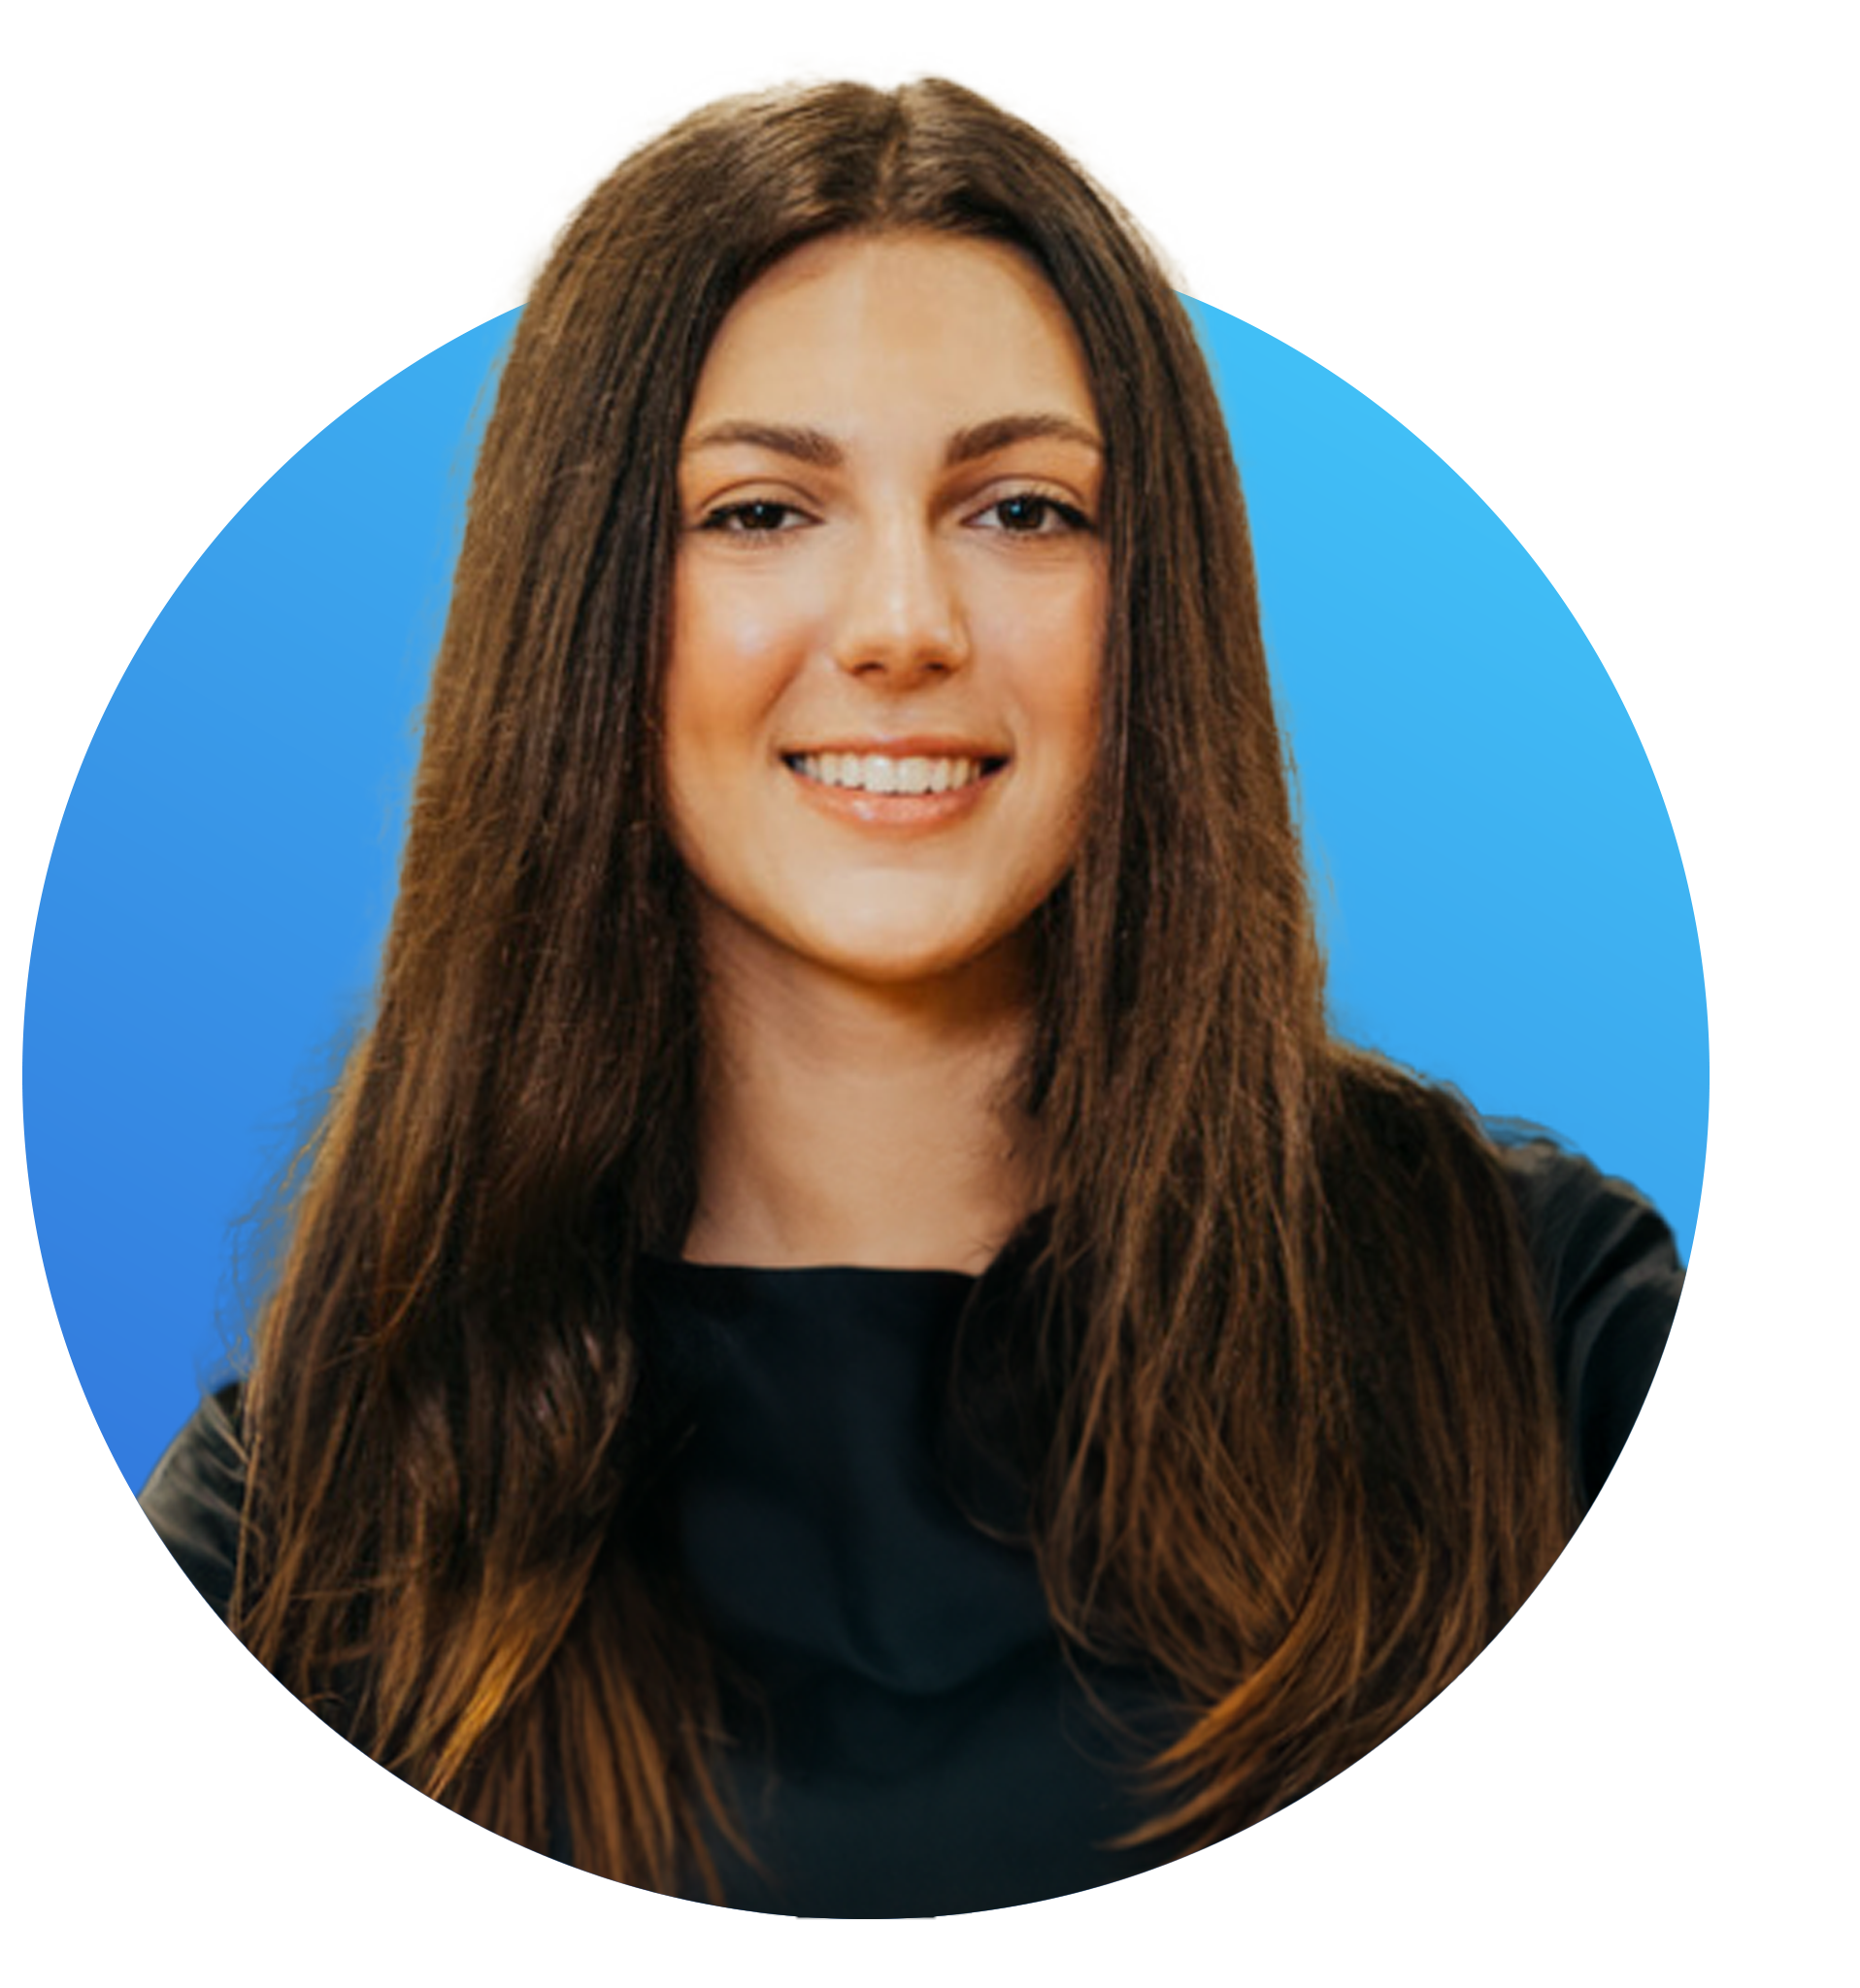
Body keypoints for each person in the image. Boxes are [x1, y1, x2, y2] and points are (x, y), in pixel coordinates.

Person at [138, 66, 1681, 1916]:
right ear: (584, 608)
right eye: (760, 512)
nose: (900, 626)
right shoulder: (315, 1513)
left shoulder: (1549, 1342)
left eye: (1024, 510)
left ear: (1157, 600)